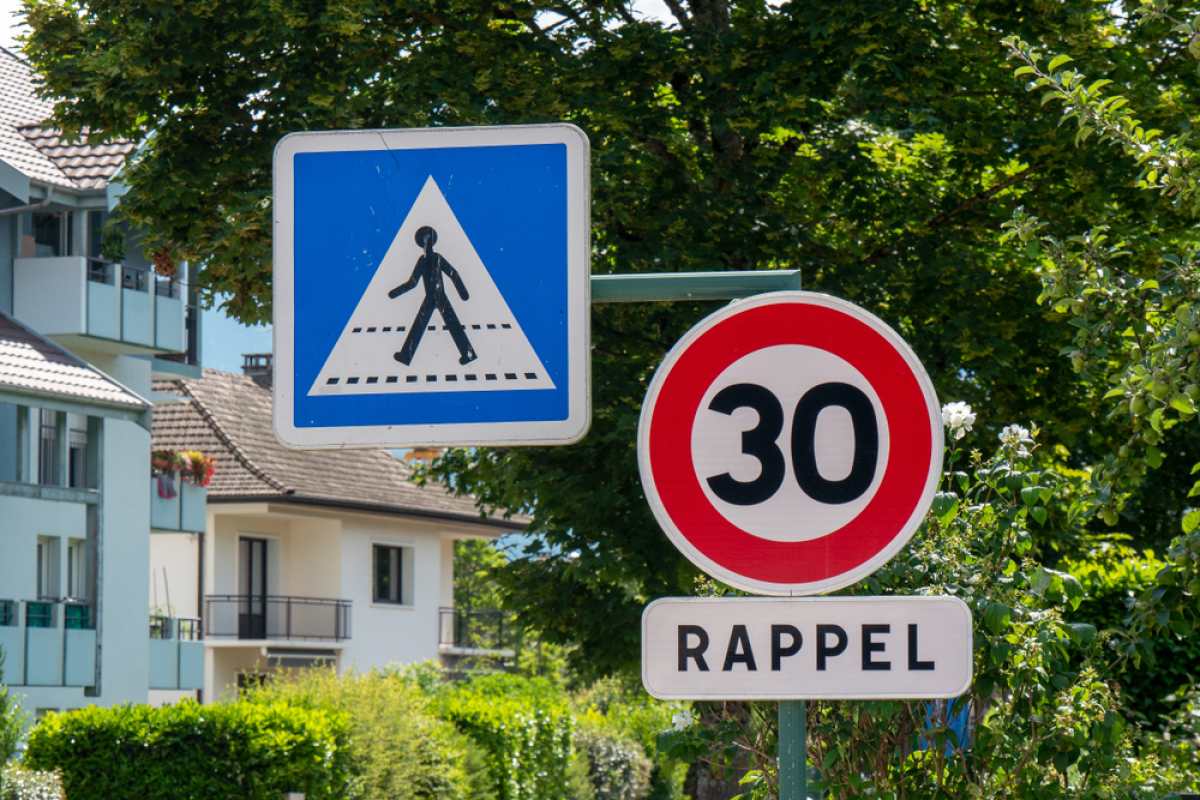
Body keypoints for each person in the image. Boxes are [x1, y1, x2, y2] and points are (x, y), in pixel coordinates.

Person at [389, 225, 477, 366]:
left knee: (449, 325)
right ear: (422, 245)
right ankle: (406, 355)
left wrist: (463, 293)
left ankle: (468, 354)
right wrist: (395, 293)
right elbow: (412, 282)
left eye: (429, 241)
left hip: (439, 295)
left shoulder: (437, 258)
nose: (427, 244)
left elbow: (452, 273)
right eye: (425, 241)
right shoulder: (422, 261)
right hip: (431, 297)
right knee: (422, 325)